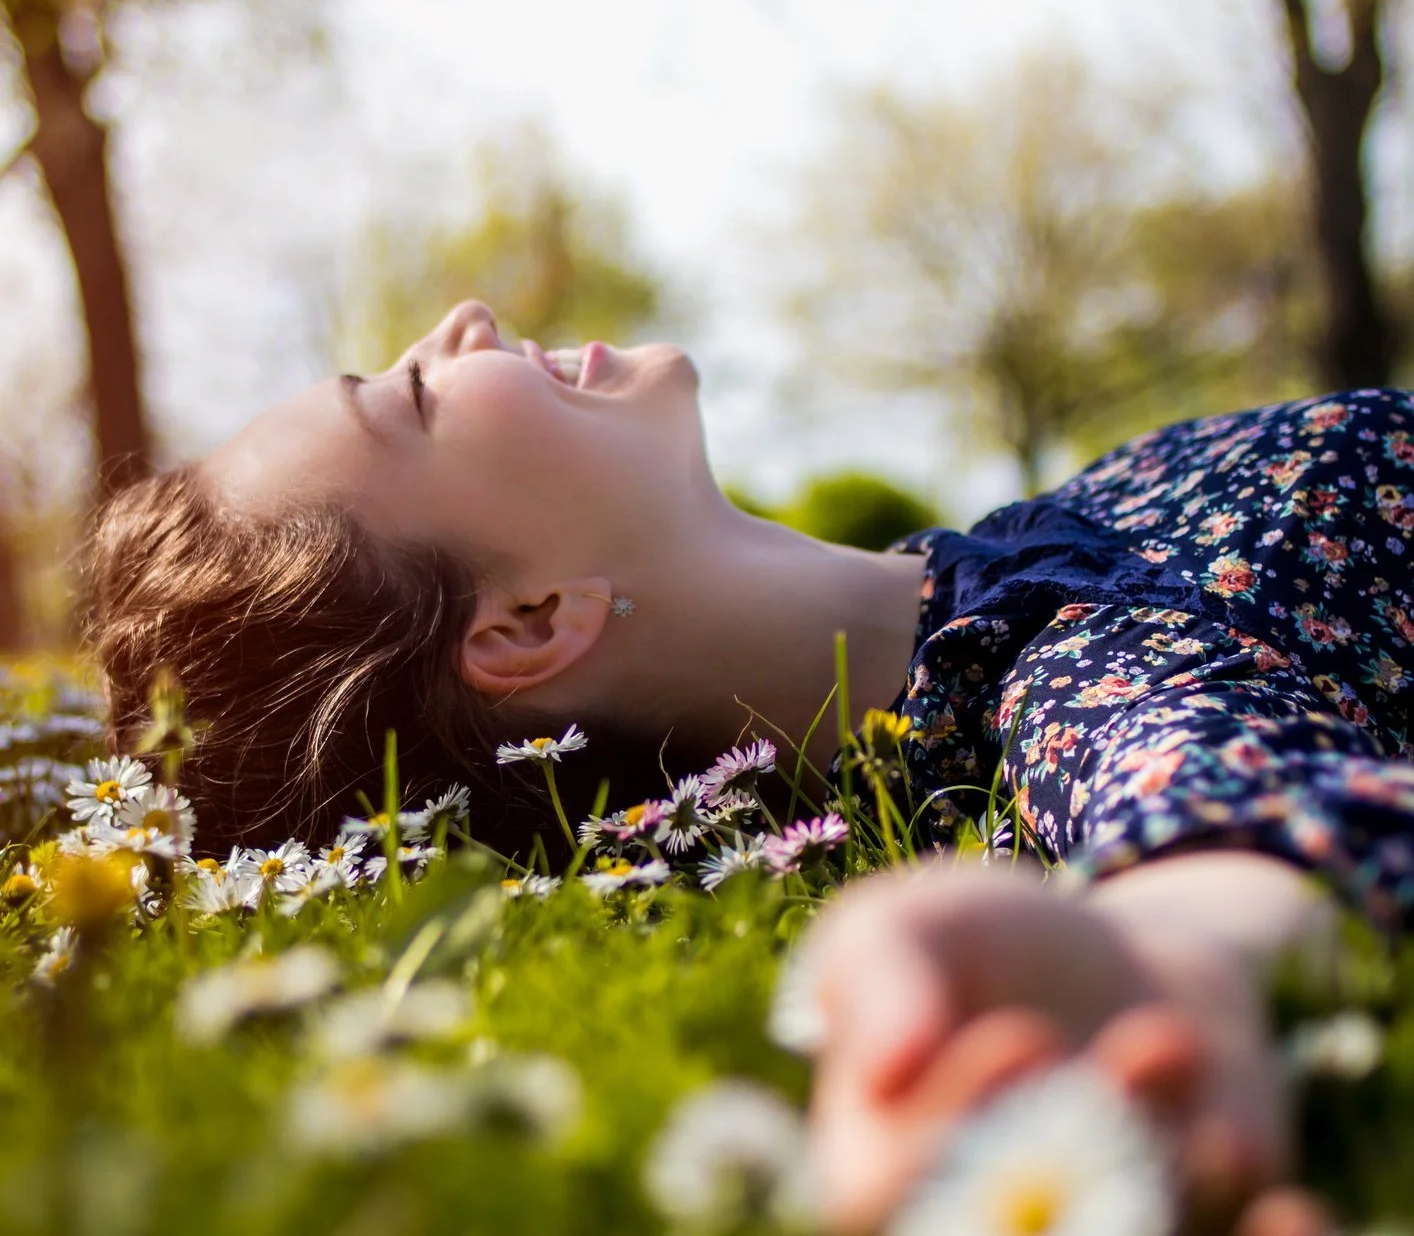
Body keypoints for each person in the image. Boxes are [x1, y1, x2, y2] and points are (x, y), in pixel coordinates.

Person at [84, 299, 1411, 1228]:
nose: (468, 318)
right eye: (415, 393)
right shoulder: (1060, 686)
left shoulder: (1036, 544)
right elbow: (1217, 811)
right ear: (529, 621)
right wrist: (1158, 974)